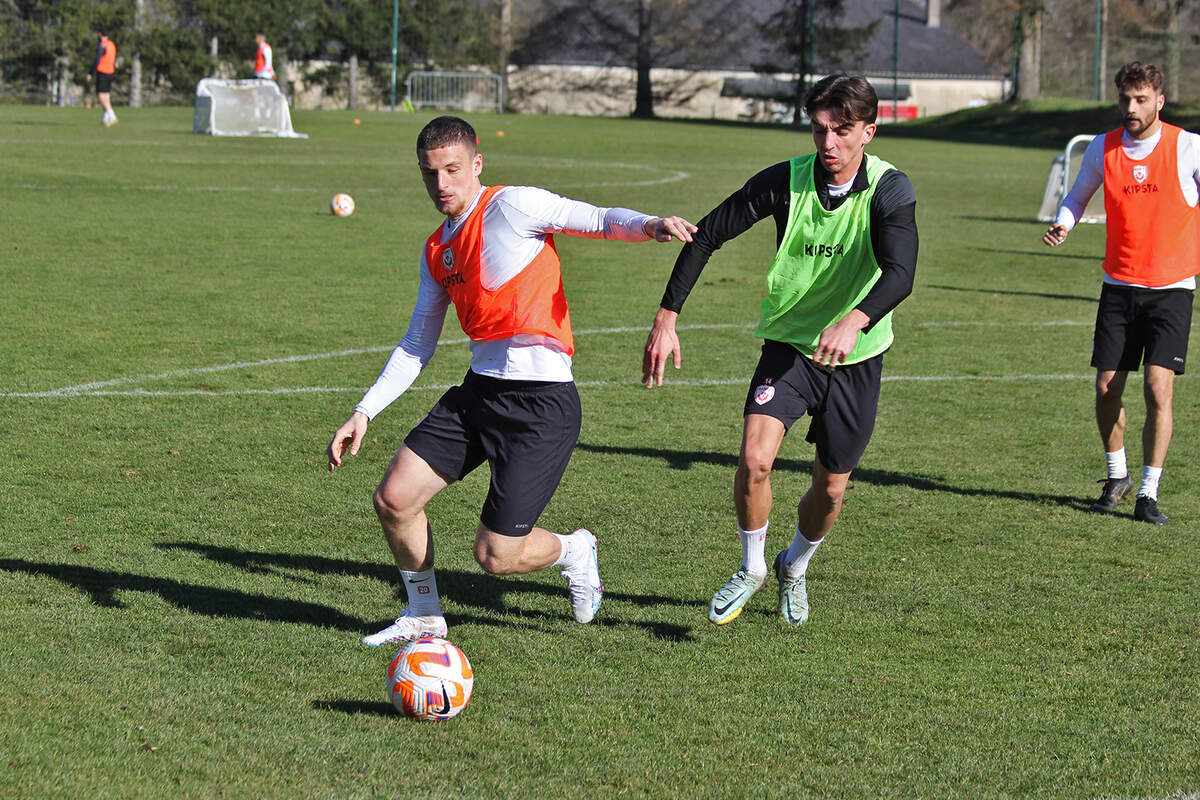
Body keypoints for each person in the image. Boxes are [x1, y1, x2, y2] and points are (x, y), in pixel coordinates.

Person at [328, 115, 697, 646]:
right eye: (430, 173)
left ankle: (575, 550)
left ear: (477, 164)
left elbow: (593, 218)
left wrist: (650, 224)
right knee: (395, 498)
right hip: (479, 392)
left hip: (541, 404)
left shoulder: (511, 205)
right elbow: (417, 344)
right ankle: (425, 616)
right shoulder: (437, 249)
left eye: (453, 169)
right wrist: (364, 411)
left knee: (495, 556)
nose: (442, 185)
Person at [642, 73, 918, 627]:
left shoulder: (890, 189)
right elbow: (708, 235)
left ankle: (794, 566)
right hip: (790, 350)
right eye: (820, 131)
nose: (829, 144)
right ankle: (752, 568)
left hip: (856, 359)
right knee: (754, 459)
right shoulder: (785, 181)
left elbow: (901, 272)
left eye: (842, 131)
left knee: (831, 491)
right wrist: (666, 317)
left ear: (870, 131)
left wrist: (854, 321)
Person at [1043, 62, 1200, 526]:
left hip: (1171, 289)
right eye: (1125, 99)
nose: (1131, 108)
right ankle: (1117, 475)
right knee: (1107, 387)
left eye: (1141, 99)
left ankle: (1148, 492)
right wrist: (1064, 223)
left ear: (1159, 101)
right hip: (1119, 286)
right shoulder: (1103, 148)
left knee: (1157, 388)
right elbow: (1077, 196)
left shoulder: (1187, 147)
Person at [86, 30, 118, 127]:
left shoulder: (102, 45)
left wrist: (90, 73)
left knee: (101, 95)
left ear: (100, 35)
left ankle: (112, 115)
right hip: (111, 71)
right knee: (106, 96)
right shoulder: (112, 45)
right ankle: (105, 119)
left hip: (103, 72)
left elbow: (97, 59)